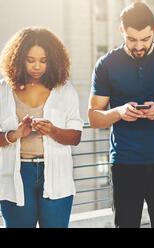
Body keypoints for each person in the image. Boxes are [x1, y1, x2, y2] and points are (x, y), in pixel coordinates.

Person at [88, 2, 154, 228]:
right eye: (132, 39)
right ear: (122, 31)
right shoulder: (105, 64)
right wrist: (118, 112)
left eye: (145, 39)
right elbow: (94, 117)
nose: (138, 46)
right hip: (125, 163)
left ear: (153, 30)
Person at [0, 27, 83, 228]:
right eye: (30, 60)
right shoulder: (3, 90)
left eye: (44, 61)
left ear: (53, 60)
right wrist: (15, 134)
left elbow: (75, 137)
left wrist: (52, 130)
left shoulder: (64, 90)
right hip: (16, 174)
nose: (37, 66)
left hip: (56, 173)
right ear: (18, 58)